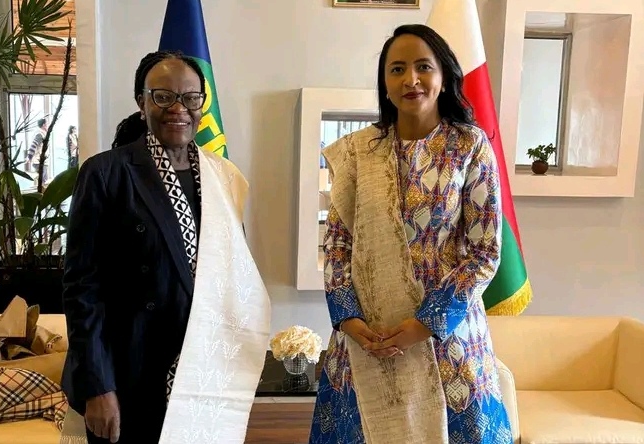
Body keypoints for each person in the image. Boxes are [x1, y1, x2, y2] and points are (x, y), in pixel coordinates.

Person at [308, 24, 513, 444]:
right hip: (367, 336)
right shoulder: (358, 152)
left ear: (444, 77)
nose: (410, 79)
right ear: (384, 84)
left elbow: (484, 252)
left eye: (423, 67)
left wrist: (426, 323)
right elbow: (339, 244)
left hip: (446, 340)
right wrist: (349, 319)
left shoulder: (469, 146)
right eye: (397, 69)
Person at [60, 51, 271, 444]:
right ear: (142, 102)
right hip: (129, 372)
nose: (178, 108)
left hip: (202, 369)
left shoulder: (223, 177)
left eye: (190, 98)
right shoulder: (106, 173)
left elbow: (232, 277)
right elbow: (82, 289)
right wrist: (97, 386)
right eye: (163, 96)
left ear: (201, 105)